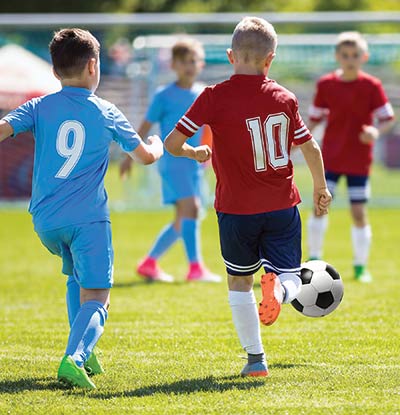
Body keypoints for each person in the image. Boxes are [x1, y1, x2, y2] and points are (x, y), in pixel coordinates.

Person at [164, 17, 331, 377]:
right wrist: (321, 188)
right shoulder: (285, 97)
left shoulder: (212, 97)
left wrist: (195, 154)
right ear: (270, 60)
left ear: (229, 56)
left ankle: (256, 360)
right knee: (289, 275)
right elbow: (310, 146)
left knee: (239, 282)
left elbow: (172, 144)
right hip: (283, 204)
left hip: (236, 210)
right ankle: (280, 293)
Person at [0, 28, 163, 389]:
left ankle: (85, 351)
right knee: (98, 295)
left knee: (76, 278)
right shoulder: (106, 111)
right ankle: (74, 358)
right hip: (88, 219)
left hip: (45, 220)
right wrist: (157, 144)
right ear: (94, 66)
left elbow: (3, 130)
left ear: (55, 72)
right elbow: (146, 157)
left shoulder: (39, 106)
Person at [120, 38, 221, 283]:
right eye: (184, 61)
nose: (189, 66)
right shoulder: (163, 95)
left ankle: (149, 263)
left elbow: (210, 128)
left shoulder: (204, 93)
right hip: (174, 161)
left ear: (201, 64)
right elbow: (144, 125)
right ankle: (195, 268)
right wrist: (129, 156)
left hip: (195, 163)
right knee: (192, 209)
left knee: (184, 217)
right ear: (173, 65)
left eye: (193, 61)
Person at [307, 31, 395, 283]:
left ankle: (360, 266)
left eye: (355, 55)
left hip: (358, 161)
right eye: (345, 55)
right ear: (337, 57)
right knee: (321, 207)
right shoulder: (326, 85)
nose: (350, 59)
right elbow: (314, 118)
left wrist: (375, 131)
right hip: (330, 159)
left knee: (358, 212)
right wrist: (297, 142)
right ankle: (314, 259)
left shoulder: (371, 86)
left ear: (364, 57)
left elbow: (388, 119)